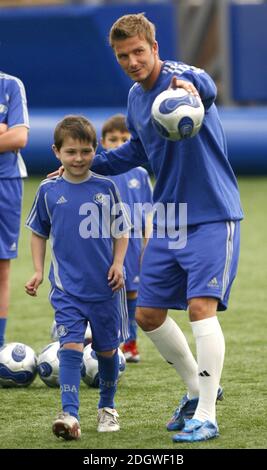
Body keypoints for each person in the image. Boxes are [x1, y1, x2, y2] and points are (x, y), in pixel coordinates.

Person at [88, 13, 243, 443]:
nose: (133, 61)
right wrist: (83, 164)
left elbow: (205, 88)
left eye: (140, 51)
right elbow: (136, 150)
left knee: (199, 308)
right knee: (149, 315)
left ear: (154, 48)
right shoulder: (137, 99)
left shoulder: (181, 78)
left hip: (213, 213)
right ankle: (197, 392)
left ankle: (208, 416)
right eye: (124, 56)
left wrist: (193, 87)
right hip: (170, 218)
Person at [25, 115, 131, 440]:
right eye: (71, 152)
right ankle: (69, 414)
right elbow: (38, 233)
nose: (79, 158)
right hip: (67, 289)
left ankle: (107, 407)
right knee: (69, 347)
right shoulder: (47, 190)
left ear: (95, 150)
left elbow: (121, 230)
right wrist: (39, 271)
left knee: (107, 351)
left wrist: (118, 264)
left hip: (105, 288)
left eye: (86, 151)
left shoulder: (106, 187)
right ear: (56, 151)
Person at [100, 114, 153, 362]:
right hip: (100, 241)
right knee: (103, 292)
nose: (119, 143)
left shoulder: (140, 173)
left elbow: (149, 214)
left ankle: (130, 343)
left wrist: (148, 246)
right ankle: (100, 341)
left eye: (125, 139)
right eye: (113, 139)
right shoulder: (98, 171)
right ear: (103, 142)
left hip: (131, 243)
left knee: (131, 293)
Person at [0, 71, 29, 348]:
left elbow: (19, 137)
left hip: (5, 182)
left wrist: (9, 132)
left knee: (1, 269)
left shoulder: (10, 85)